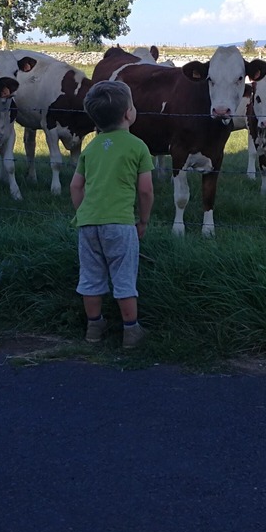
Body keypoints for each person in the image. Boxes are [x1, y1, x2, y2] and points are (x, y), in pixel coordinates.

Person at [70, 79, 155, 349]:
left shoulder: (91, 148)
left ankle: (94, 329)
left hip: (88, 224)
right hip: (120, 224)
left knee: (91, 277)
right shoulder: (137, 146)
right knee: (124, 277)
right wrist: (143, 220)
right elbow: (145, 191)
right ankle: (131, 332)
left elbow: (75, 186)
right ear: (129, 113)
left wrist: (84, 212)